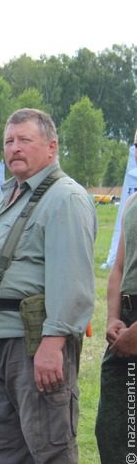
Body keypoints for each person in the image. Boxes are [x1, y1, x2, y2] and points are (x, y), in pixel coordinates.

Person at [0, 108, 96, 462]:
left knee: (48, 446)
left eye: (25, 140)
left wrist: (53, 344)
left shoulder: (64, 197)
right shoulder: (12, 194)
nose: (14, 148)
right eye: (9, 141)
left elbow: (73, 281)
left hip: (32, 343)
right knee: (2, 447)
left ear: (51, 147)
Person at [96, 140, 137, 462]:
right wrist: (113, 318)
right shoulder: (132, 201)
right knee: (114, 430)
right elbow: (118, 267)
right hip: (126, 314)